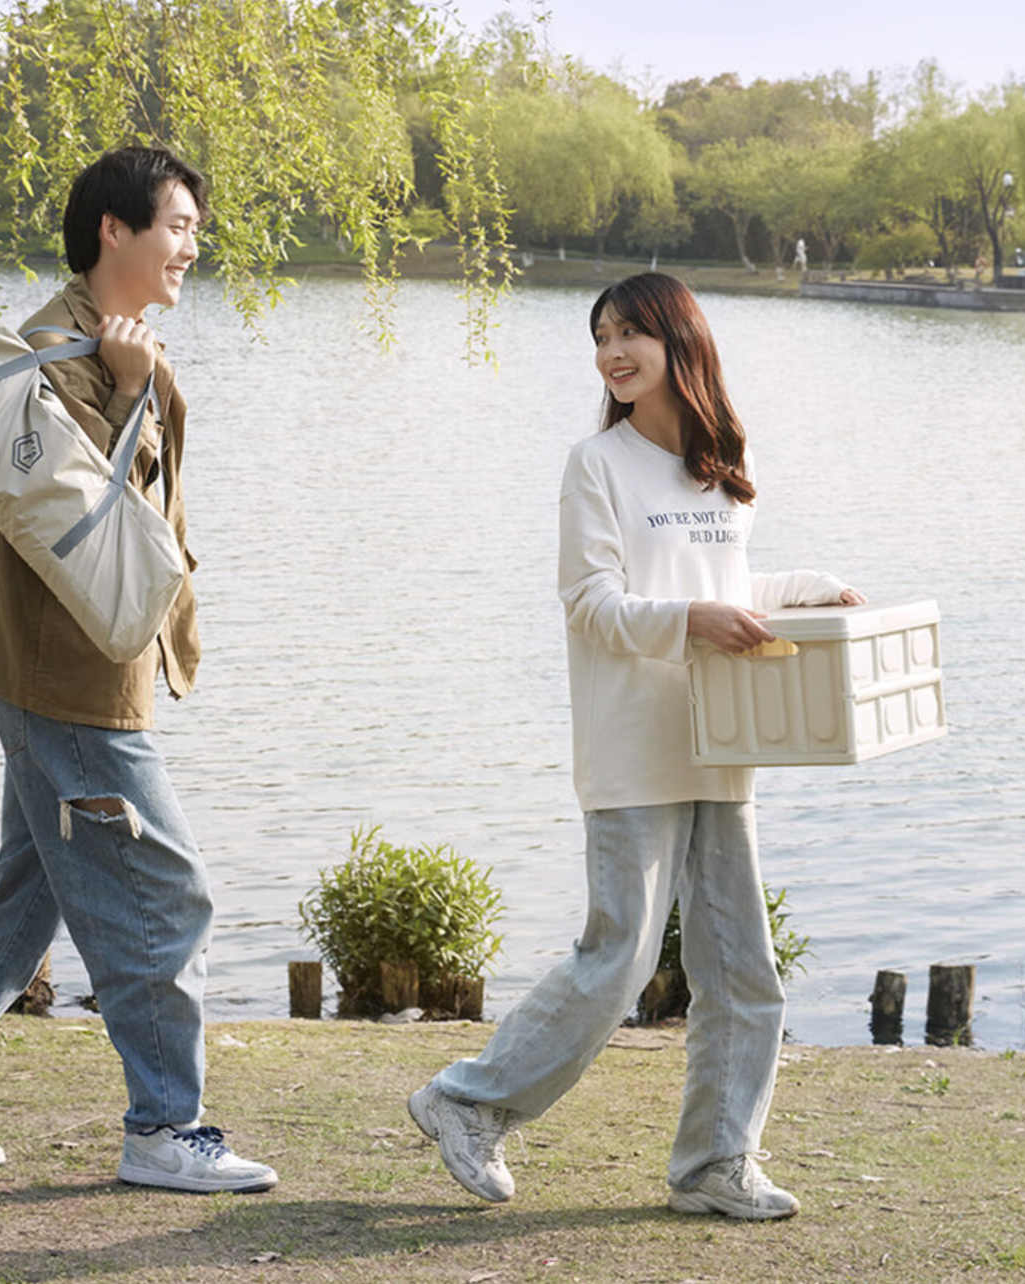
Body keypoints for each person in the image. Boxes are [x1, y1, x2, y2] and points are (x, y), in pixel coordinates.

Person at [0, 146, 278, 1196]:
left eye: (195, 227)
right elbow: (67, 510)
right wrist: (128, 391)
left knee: (25, 893)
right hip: (68, 676)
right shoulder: (54, 352)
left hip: (80, 663)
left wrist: (134, 378)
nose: (191, 245)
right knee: (166, 890)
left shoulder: (107, 342)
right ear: (113, 230)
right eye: (177, 224)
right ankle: (165, 1127)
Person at [408, 273, 863, 1221]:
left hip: (722, 739)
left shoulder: (725, 464)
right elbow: (592, 604)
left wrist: (807, 588)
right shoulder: (596, 464)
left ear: (678, 340)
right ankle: (469, 1101)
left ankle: (716, 1163)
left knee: (742, 970)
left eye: (630, 335)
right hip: (631, 743)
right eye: (602, 336)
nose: (612, 354)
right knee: (619, 957)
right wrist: (693, 619)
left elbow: (722, 586)